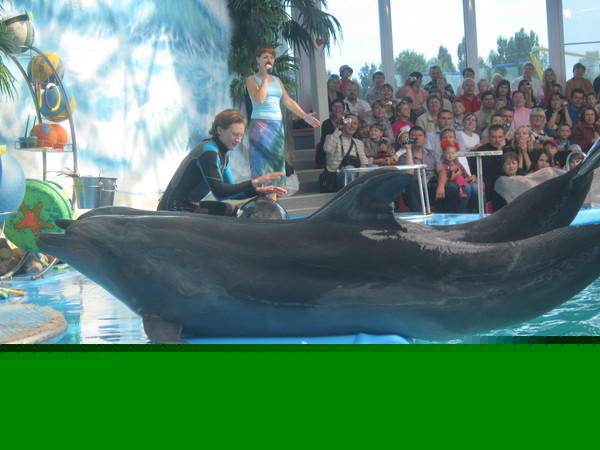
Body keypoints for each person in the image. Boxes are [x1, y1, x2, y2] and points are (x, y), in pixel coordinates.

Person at [157, 109, 286, 213]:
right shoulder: (208, 152)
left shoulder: (223, 156)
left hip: (190, 206)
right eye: (235, 134)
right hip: (173, 210)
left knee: (232, 210)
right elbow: (220, 191)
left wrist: (257, 191)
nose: (239, 140)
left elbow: (229, 193)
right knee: (229, 215)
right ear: (220, 130)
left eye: (241, 135)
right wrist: (255, 182)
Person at [246, 45, 320, 198]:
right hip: (260, 125)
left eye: (272, 57)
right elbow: (259, 99)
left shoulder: (277, 80)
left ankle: (273, 204)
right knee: (259, 163)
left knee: (276, 164)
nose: (269, 60)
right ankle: (259, 202)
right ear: (258, 60)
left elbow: (288, 101)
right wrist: (265, 77)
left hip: (276, 126)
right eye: (265, 57)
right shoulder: (252, 79)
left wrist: (304, 116)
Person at [323, 113, 369, 187]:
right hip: (336, 176)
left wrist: (362, 169)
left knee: (374, 168)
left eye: (355, 123)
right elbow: (328, 149)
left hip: (355, 174)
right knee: (349, 169)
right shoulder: (331, 137)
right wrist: (339, 129)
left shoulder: (358, 142)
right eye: (349, 122)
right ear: (343, 124)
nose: (352, 125)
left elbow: (363, 160)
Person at [316, 99, 345, 167]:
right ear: (331, 109)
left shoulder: (347, 122)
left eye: (340, 106)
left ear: (343, 109)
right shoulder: (326, 123)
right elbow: (328, 139)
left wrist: (342, 121)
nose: (337, 109)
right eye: (335, 106)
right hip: (329, 152)